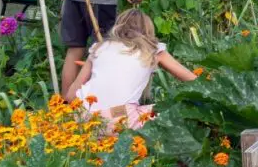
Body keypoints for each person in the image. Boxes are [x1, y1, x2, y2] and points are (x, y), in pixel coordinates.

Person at [63, 9, 197, 130]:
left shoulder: (98, 48)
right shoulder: (153, 50)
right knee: (172, 110)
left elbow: (70, 96)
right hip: (119, 117)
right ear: (148, 30)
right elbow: (193, 80)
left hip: (84, 120)